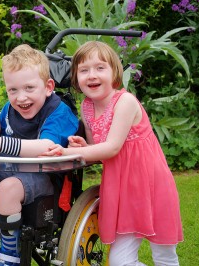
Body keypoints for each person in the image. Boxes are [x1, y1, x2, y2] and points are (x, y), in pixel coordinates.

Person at [41, 41, 184, 265]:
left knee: (164, 256)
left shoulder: (125, 102)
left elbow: (112, 146)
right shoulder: (87, 108)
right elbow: (98, 151)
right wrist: (83, 147)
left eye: (100, 68)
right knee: (119, 261)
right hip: (121, 190)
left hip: (151, 185)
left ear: (114, 72)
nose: (92, 75)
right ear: (76, 77)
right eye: (84, 70)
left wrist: (68, 152)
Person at [0, 44, 79, 266]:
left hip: (44, 175)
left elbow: (47, 145)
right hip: (10, 171)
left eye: (29, 88)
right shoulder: (9, 110)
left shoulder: (59, 112)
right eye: (12, 90)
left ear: (48, 87)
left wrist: (1, 143)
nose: (20, 97)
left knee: (8, 188)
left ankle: (9, 255)